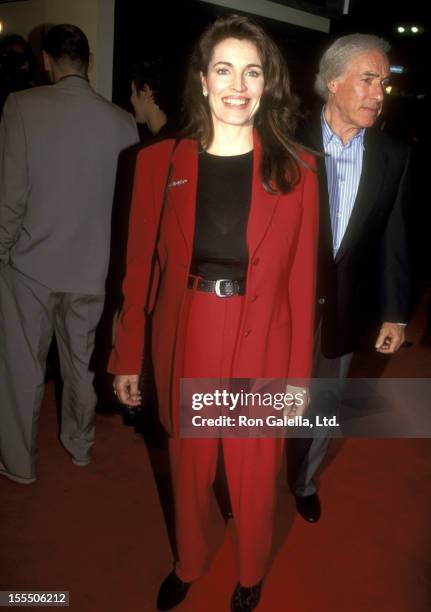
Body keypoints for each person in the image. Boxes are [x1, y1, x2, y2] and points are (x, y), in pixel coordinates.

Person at [110, 14, 318, 612]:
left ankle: (251, 570)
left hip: (264, 342)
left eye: (252, 72)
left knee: (255, 471)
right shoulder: (158, 163)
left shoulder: (298, 170)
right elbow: (138, 271)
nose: (237, 84)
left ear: (267, 83)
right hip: (190, 331)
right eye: (224, 69)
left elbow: (302, 286)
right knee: (190, 461)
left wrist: (298, 380)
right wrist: (128, 355)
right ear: (202, 80)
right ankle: (189, 561)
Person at [0, 24, 138, 484]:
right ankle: (80, 447)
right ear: (89, 61)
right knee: (81, 366)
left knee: (22, 369)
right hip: (91, 269)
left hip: (31, 267)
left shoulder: (22, 107)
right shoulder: (121, 120)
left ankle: (19, 464)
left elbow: (10, 198)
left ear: (46, 60)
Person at [289, 33, 411, 523]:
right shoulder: (283, 137)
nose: (379, 93)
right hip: (281, 306)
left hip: (344, 306)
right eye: (368, 79)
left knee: (324, 404)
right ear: (333, 80)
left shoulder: (393, 155)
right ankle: (245, 477)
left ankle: (304, 481)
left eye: (383, 82)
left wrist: (396, 314)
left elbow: (395, 239)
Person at [130, 58, 177, 143]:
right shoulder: (173, 136)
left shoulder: (162, 144)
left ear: (146, 91)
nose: (131, 99)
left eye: (133, 92)